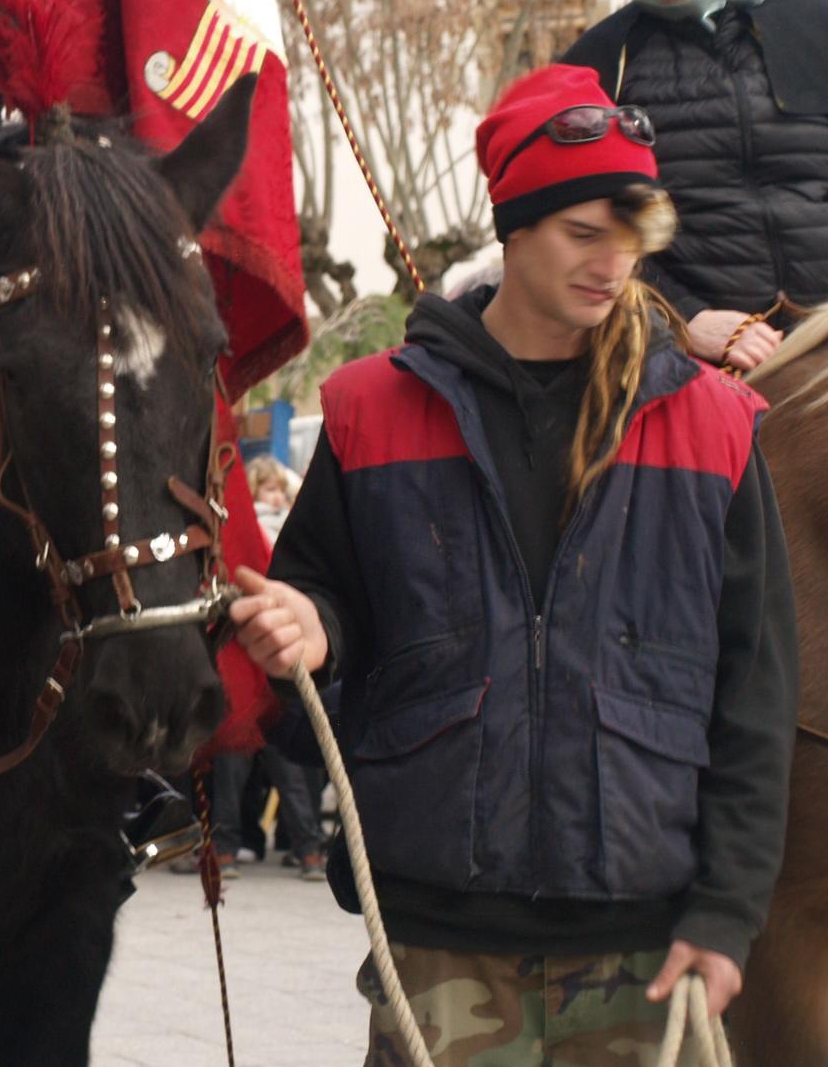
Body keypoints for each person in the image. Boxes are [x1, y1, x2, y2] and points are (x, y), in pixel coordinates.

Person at [230, 64, 797, 1065]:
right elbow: (324, 594)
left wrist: (725, 912)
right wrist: (312, 625)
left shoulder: (713, 426)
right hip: (436, 942)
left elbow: (755, 695)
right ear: (514, 229)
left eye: (629, 237)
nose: (611, 262)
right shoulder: (368, 408)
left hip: (645, 948)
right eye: (583, 233)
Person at [565, 0, 828, 373]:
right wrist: (684, 319)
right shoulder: (598, 62)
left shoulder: (819, 26)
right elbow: (581, 226)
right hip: (695, 355)